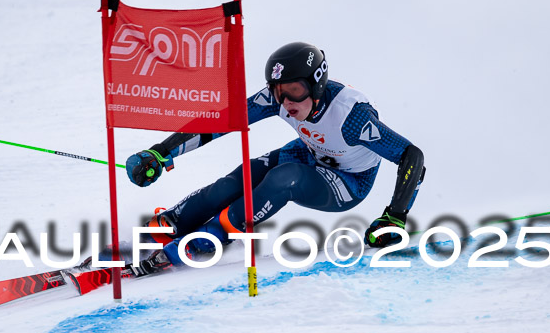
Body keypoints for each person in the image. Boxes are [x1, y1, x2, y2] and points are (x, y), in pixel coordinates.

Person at [124, 41, 425, 273]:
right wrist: (161, 152)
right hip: (309, 154)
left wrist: (395, 216)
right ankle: (176, 221)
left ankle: (209, 238)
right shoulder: (279, 99)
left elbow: (412, 156)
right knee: (241, 177)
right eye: (279, 91)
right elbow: (222, 123)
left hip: (347, 182)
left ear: (316, 84)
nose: (285, 102)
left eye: (294, 91)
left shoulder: (352, 116)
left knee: (284, 178)